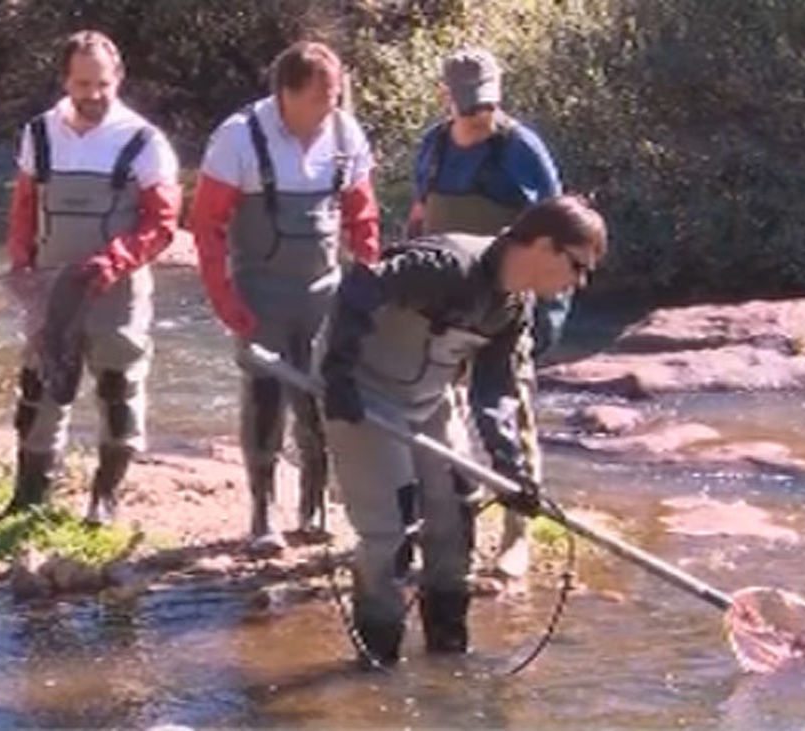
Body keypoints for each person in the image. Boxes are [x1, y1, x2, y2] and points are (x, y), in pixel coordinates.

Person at [321, 195, 606, 665]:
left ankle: (447, 651)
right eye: (577, 266)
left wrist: (511, 472)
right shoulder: (444, 266)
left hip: (429, 398)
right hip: (362, 394)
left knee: (456, 511)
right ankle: (377, 659)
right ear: (544, 246)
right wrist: (337, 373)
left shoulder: (514, 309)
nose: (580, 281)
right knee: (389, 532)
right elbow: (359, 287)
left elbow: (493, 394)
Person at [190, 41, 380, 554]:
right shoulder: (238, 139)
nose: (331, 107)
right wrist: (225, 301)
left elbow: (362, 218)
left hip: (325, 292)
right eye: (322, 97)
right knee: (265, 399)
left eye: (336, 95)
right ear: (286, 95)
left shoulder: (345, 133)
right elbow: (206, 226)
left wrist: (369, 286)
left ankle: (314, 505)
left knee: (320, 398)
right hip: (260, 294)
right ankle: (262, 510)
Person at [2, 30, 182, 525]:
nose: (93, 94)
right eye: (83, 84)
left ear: (118, 78)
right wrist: (20, 264)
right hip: (51, 286)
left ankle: (104, 502)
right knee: (39, 390)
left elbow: (163, 223)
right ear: (65, 80)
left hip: (116, 291)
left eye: (102, 83)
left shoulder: (144, 141)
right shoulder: (38, 134)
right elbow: (23, 206)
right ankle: (28, 501)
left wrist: (117, 259)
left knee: (118, 391)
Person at [406, 48, 567, 585]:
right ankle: (445, 518)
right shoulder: (432, 147)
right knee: (433, 412)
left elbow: (558, 232)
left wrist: (549, 311)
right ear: (444, 97)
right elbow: (419, 215)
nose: (481, 115)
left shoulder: (520, 149)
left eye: (488, 104)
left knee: (505, 416)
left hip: (505, 303)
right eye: (470, 105)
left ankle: (518, 533)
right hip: (441, 301)